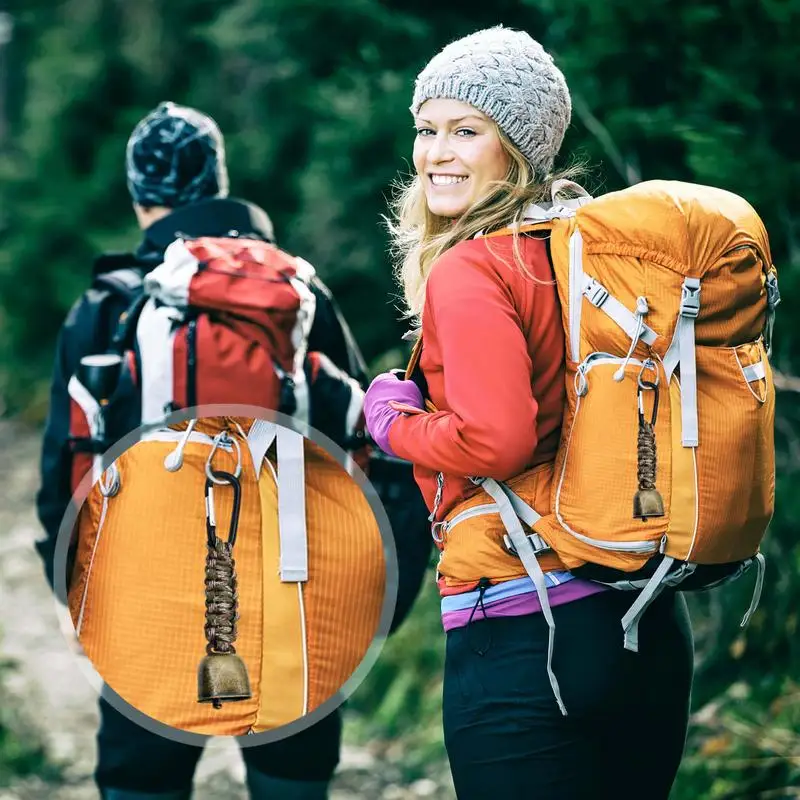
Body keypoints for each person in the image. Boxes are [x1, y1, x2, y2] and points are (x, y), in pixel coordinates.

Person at [35, 102, 431, 800]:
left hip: (147, 612)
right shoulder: (295, 297)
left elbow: (59, 482)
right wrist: (369, 613)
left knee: (142, 784)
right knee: (291, 782)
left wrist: (82, 605)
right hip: (296, 609)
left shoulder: (108, 307)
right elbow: (382, 451)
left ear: (139, 199)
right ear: (219, 183)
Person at [364, 27, 694, 800]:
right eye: (427, 129)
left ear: (516, 146)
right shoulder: (590, 255)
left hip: (528, 632)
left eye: (466, 131)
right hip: (644, 618)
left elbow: (497, 438)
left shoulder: (474, 268)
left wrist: (391, 421)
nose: (436, 153)